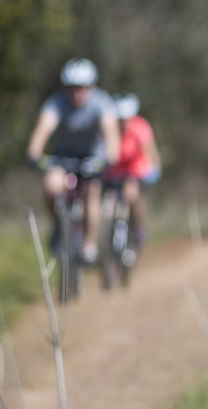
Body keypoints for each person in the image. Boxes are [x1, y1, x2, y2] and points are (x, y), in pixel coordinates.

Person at [25, 58, 121, 264]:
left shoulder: (101, 102)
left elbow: (111, 132)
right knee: (52, 185)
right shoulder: (56, 103)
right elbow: (44, 128)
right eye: (72, 88)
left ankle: (89, 245)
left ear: (91, 86)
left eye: (82, 88)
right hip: (63, 157)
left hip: (92, 158)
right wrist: (34, 152)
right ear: (65, 87)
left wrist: (111, 155)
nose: (77, 93)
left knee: (91, 191)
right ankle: (59, 227)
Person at [102, 92, 162, 251]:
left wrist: (155, 170)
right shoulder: (109, 129)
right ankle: (107, 240)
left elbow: (151, 153)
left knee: (132, 193)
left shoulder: (141, 127)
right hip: (114, 173)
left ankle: (138, 227)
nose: (123, 123)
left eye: (127, 118)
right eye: (120, 119)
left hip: (137, 171)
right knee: (108, 205)